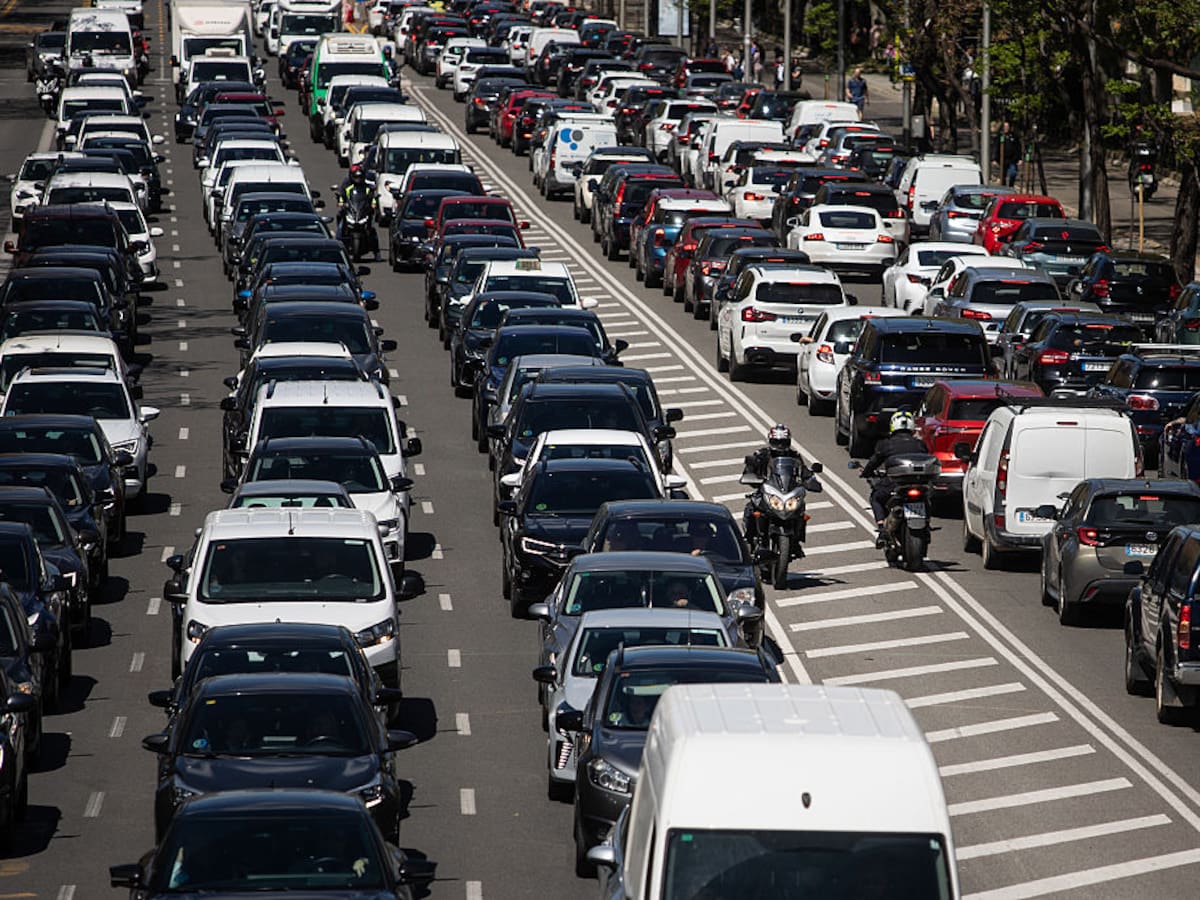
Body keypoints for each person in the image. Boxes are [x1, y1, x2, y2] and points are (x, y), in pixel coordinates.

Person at [742, 424, 821, 540]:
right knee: (751, 507)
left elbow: (804, 471)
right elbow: (749, 469)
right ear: (771, 441)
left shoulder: (794, 456)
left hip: (788, 492)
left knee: (801, 510)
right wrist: (751, 475)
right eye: (777, 442)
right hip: (768, 491)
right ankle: (748, 539)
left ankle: (797, 538)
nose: (780, 446)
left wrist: (810, 480)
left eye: (783, 442)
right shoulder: (762, 454)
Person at [860, 411, 926, 545]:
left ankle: (881, 528)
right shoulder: (920, 444)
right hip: (919, 483)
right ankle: (926, 523)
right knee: (927, 498)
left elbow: (874, 462)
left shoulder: (886, 444)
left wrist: (866, 472)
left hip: (894, 485)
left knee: (876, 497)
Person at [336, 164, 381, 261]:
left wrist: (373, 204)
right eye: (356, 177)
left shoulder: (367, 188)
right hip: (351, 211)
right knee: (340, 227)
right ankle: (337, 249)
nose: (358, 179)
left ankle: (376, 252)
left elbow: (373, 197)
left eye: (360, 177)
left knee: (372, 230)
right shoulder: (348, 187)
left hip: (363, 212)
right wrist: (341, 202)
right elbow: (341, 195)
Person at [994, 121, 1021, 187]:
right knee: (1002, 175)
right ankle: (1004, 187)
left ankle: (1011, 186)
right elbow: (996, 147)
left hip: (1012, 159)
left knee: (1013, 173)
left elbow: (1018, 147)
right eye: (1005, 126)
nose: (1006, 128)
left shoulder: (1014, 136)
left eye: (1007, 126)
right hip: (1003, 160)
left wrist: (1020, 159)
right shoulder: (999, 136)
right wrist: (994, 159)